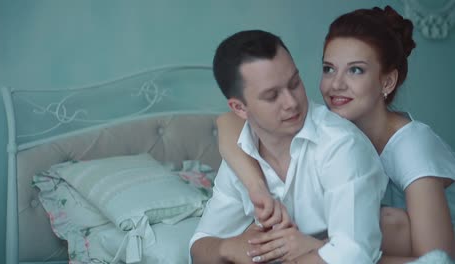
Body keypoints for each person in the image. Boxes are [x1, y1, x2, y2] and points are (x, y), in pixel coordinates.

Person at [216, 5, 455, 263]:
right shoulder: (333, 132)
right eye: (329, 69)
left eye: (355, 70)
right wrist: (256, 187)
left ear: (387, 82)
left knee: (383, 221)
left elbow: (437, 258)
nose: (336, 84)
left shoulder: (411, 145)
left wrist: (319, 248)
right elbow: (227, 123)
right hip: (372, 247)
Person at [189, 29, 388, 264]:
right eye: (272, 96)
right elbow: (198, 246)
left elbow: (354, 254)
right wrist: (228, 248)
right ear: (240, 108)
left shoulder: (341, 145)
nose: (292, 102)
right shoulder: (242, 155)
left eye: (295, 83)